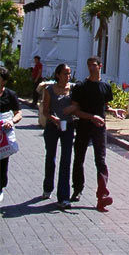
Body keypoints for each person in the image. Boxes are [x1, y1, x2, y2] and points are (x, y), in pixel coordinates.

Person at [70, 57, 124, 211]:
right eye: (89, 65)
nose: (91, 68)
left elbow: (104, 106)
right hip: (84, 126)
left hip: (99, 128)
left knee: (100, 161)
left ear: (100, 66)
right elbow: (76, 110)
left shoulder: (105, 87)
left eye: (94, 65)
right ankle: (78, 188)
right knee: (79, 158)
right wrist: (91, 117)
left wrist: (113, 111)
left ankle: (102, 196)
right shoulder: (81, 87)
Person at [42, 63, 75, 209]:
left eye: (69, 74)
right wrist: (53, 118)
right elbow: (45, 110)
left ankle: (63, 196)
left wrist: (72, 109)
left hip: (67, 127)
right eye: (65, 73)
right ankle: (48, 186)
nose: (67, 76)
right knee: (51, 157)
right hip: (52, 127)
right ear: (58, 75)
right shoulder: (50, 90)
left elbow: (77, 105)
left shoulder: (72, 90)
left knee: (66, 159)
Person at [0, 66, 22, 203]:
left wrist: (11, 121)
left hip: (3, 133)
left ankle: (1, 186)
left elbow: (18, 113)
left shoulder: (10, 95)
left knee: (2, 160)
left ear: (4, 81)